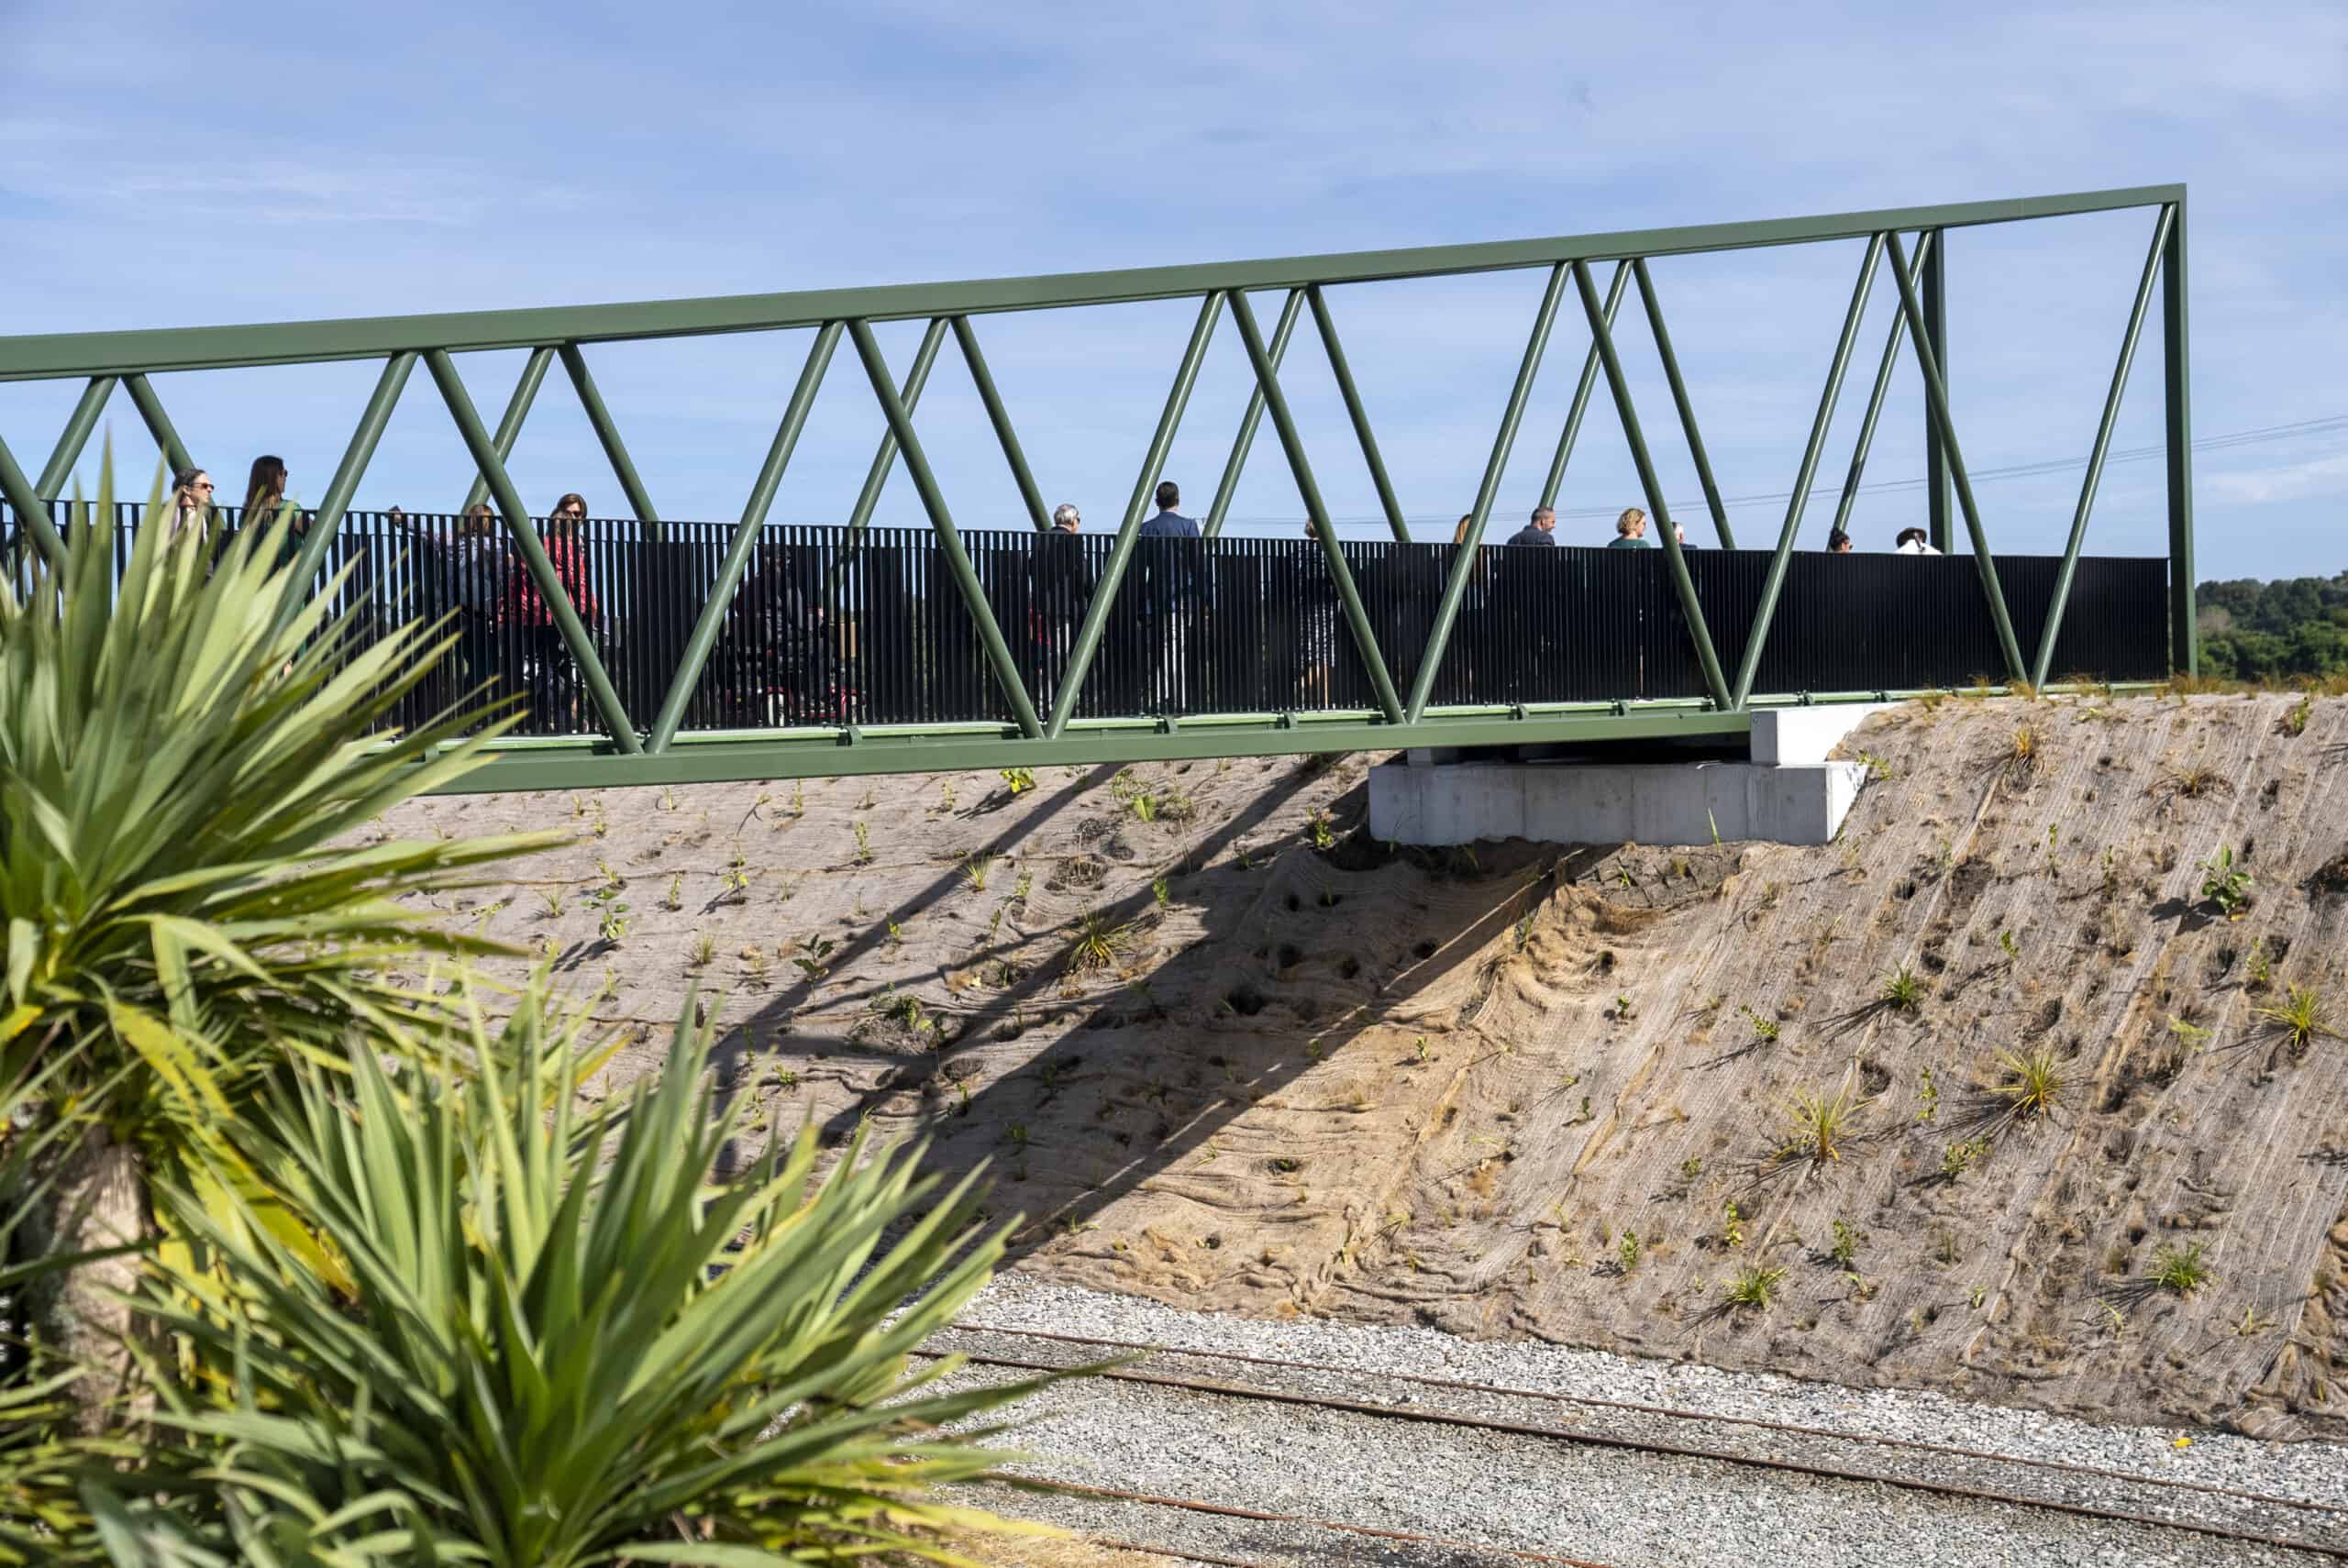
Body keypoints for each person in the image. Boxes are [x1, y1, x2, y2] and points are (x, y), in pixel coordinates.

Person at [503, 492, 601, 729]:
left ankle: (543, 718)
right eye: (571, 515)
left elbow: (517, 580)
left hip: (530, 614)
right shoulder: (567, 548)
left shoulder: (535, 544)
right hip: (558, 615)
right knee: (560, 665)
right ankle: (569, 712)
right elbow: (577, 580)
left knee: (546, 666)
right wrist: (591, 607)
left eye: (578, 514)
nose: (575, 519)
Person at [1135, 480, 1204, 712]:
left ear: (1157, 502)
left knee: (1158, 648)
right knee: (1176, 648)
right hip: (1181, 598)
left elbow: (1140, 567)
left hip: (1154, 599)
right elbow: (1198, 565)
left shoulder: (1146, 528)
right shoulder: (1188, 526)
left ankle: (1158, 695)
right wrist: (1202, 598)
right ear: (1177, 500)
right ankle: (1175, 698)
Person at [1030, 502, 1094, 708]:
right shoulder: (1073, 542)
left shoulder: (1041, 539)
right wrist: (1091, 593)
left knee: (1050, 651)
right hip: (1066, 606)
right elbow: (1082, 575)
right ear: (1073, 521)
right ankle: (1063, 700)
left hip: (1044, 605)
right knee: (1063, 652)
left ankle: (1045, 699)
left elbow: (1033, 569)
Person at [167, 468, 214, 540]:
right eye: (204, 486)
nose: (210, 490)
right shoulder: (172, 514)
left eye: (211, 487)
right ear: (187, 489)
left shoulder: (200, 517)